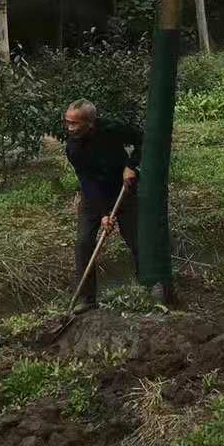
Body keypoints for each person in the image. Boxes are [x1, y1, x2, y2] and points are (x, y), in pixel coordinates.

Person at [62, 99, 141, 310]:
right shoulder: (73, 147)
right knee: (83, 242)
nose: (70, 128)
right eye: (68, 123)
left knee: (137, 239)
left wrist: (131, 166)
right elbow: (88, 181)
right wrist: (104, 213)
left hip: (123, 190)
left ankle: (147, 287)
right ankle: (86, 300)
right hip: (93, 196)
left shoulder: (112, 129)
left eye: (75, 123)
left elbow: (142, 139)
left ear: (91, 122)